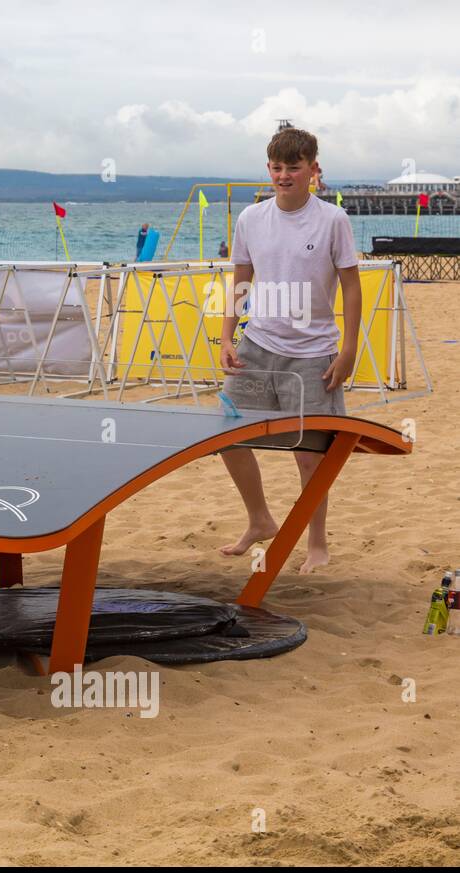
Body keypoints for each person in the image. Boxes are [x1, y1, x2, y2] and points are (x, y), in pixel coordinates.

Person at [217, 127, 360, 573]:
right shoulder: (250, 219)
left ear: (313, 170)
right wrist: (226, 334)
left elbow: (352, 288)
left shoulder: (333, 220)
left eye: (293, 167)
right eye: (277, 168)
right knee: (227, 434)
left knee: (309, 454)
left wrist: (350, 348)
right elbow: (242, 278)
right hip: (257, 343)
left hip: (315, 351)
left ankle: (317, 544)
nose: (284, 175)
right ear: (268, 170)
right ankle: (260, 519)